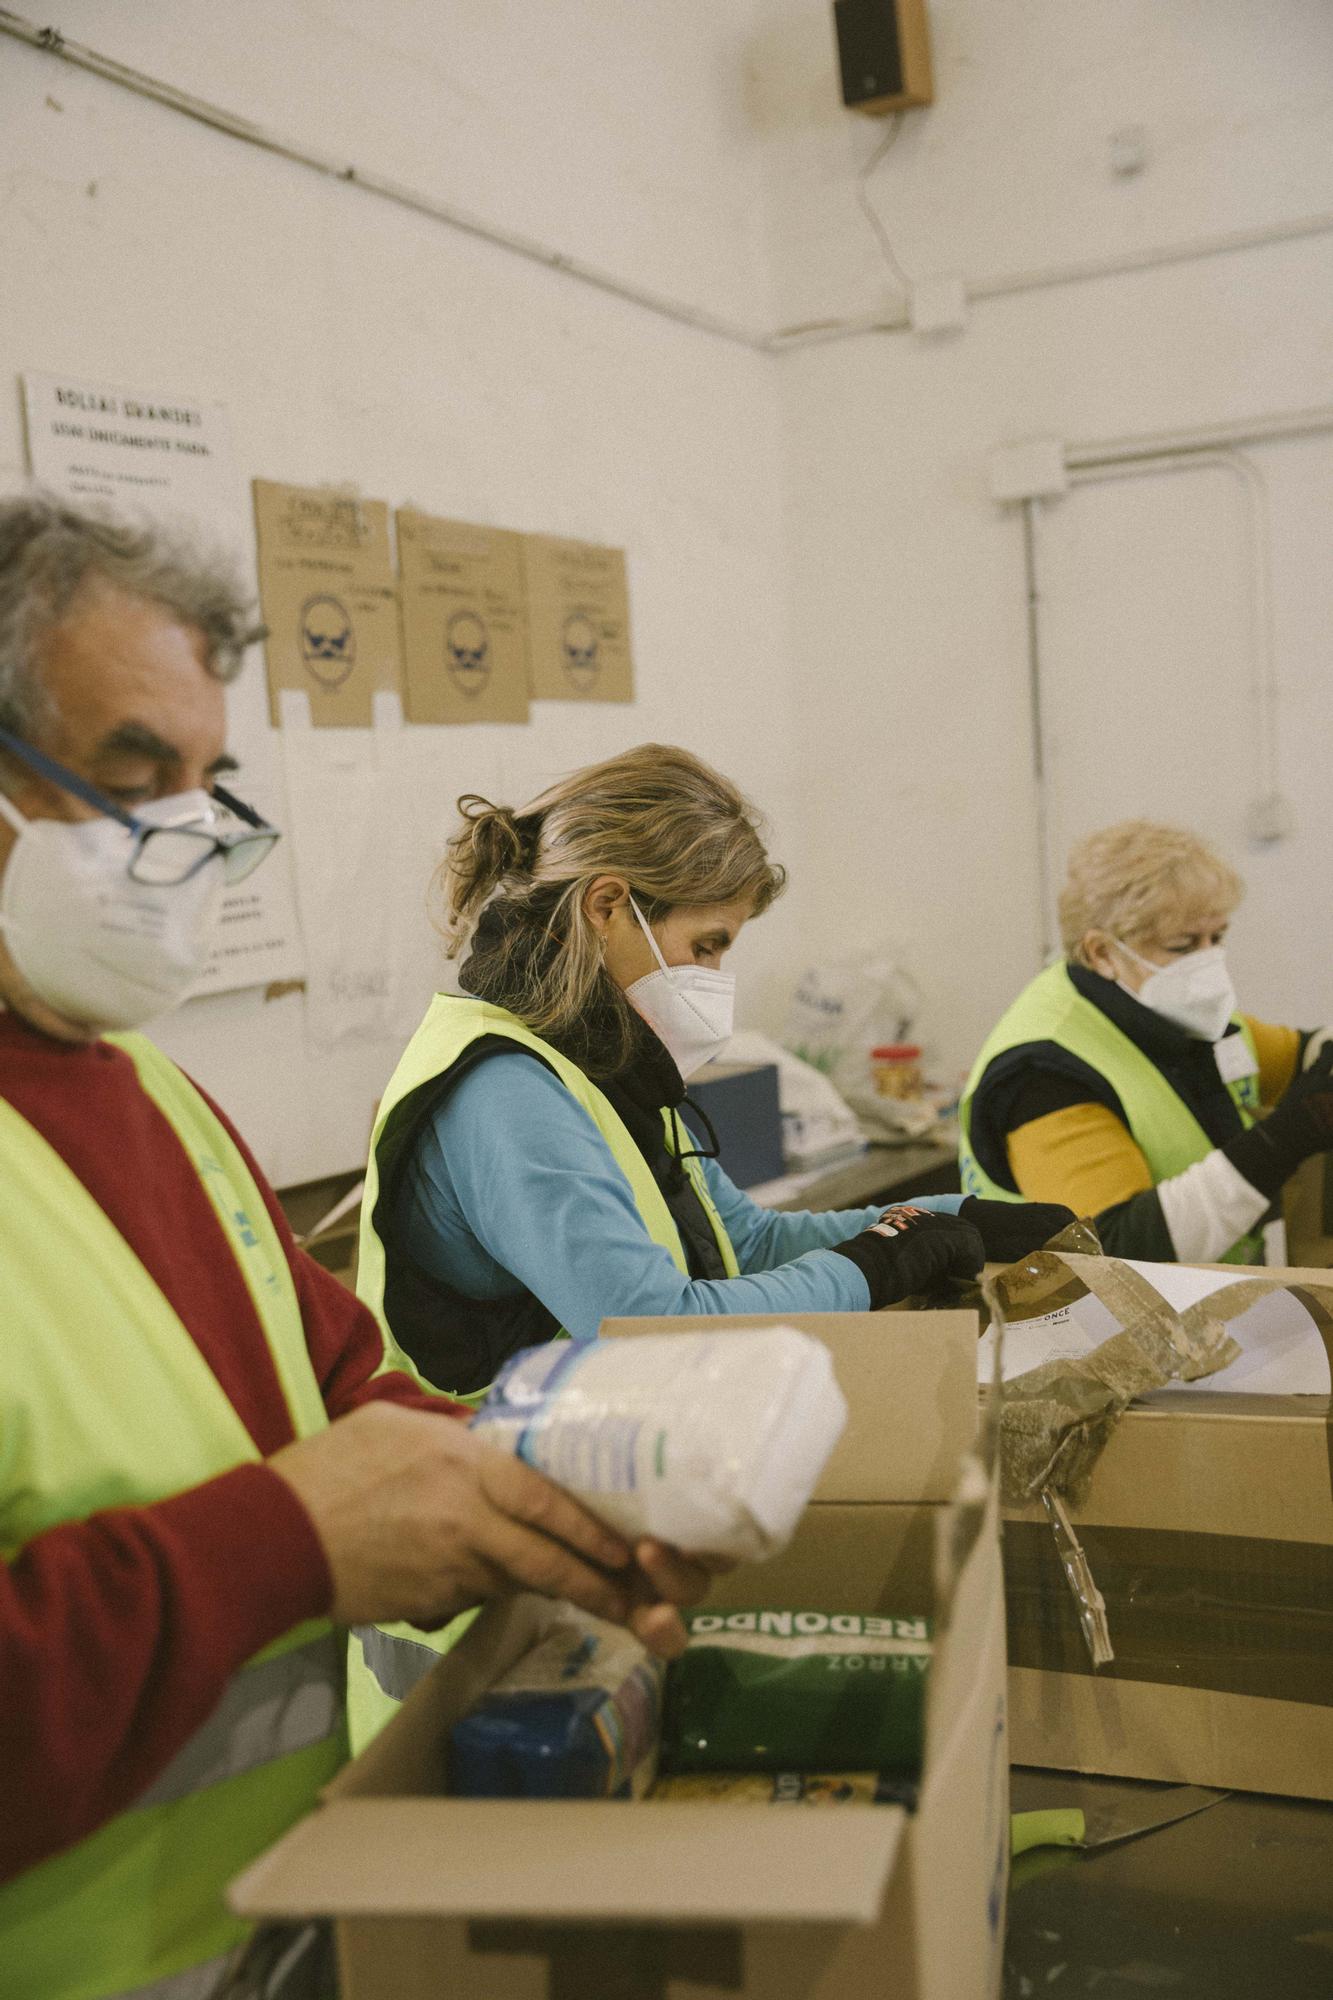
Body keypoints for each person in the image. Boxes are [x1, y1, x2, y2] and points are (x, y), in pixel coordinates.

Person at [0, 495, 714, 2000]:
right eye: (136, 779)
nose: (187, 836)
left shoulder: (154, 1097)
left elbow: (338, 1389)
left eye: (212, 786)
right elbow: (301, 1509)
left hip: (278, 1924)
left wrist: (548, 1506)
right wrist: (287, 1545)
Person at [357, 746, 1071, 1403]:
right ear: (608, 907)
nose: (712, 978)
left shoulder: (597, 1063)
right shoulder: (504, 1091)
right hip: (489, 1487)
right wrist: (873, 1265)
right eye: (704, 945)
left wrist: (944, 1216)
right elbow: (650, 1325)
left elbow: (745, 1245)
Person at [960, 819, 1333, 1264]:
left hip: (1200, 1308)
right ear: (1102, 953)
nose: (1208, 961)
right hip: (1085, 1323)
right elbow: (1116, 1250)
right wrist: (1290, 1135)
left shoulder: (1167, 1012)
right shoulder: (1042, 1077)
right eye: (1182, 945)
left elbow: (1305, 1056)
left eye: (1217, 938)